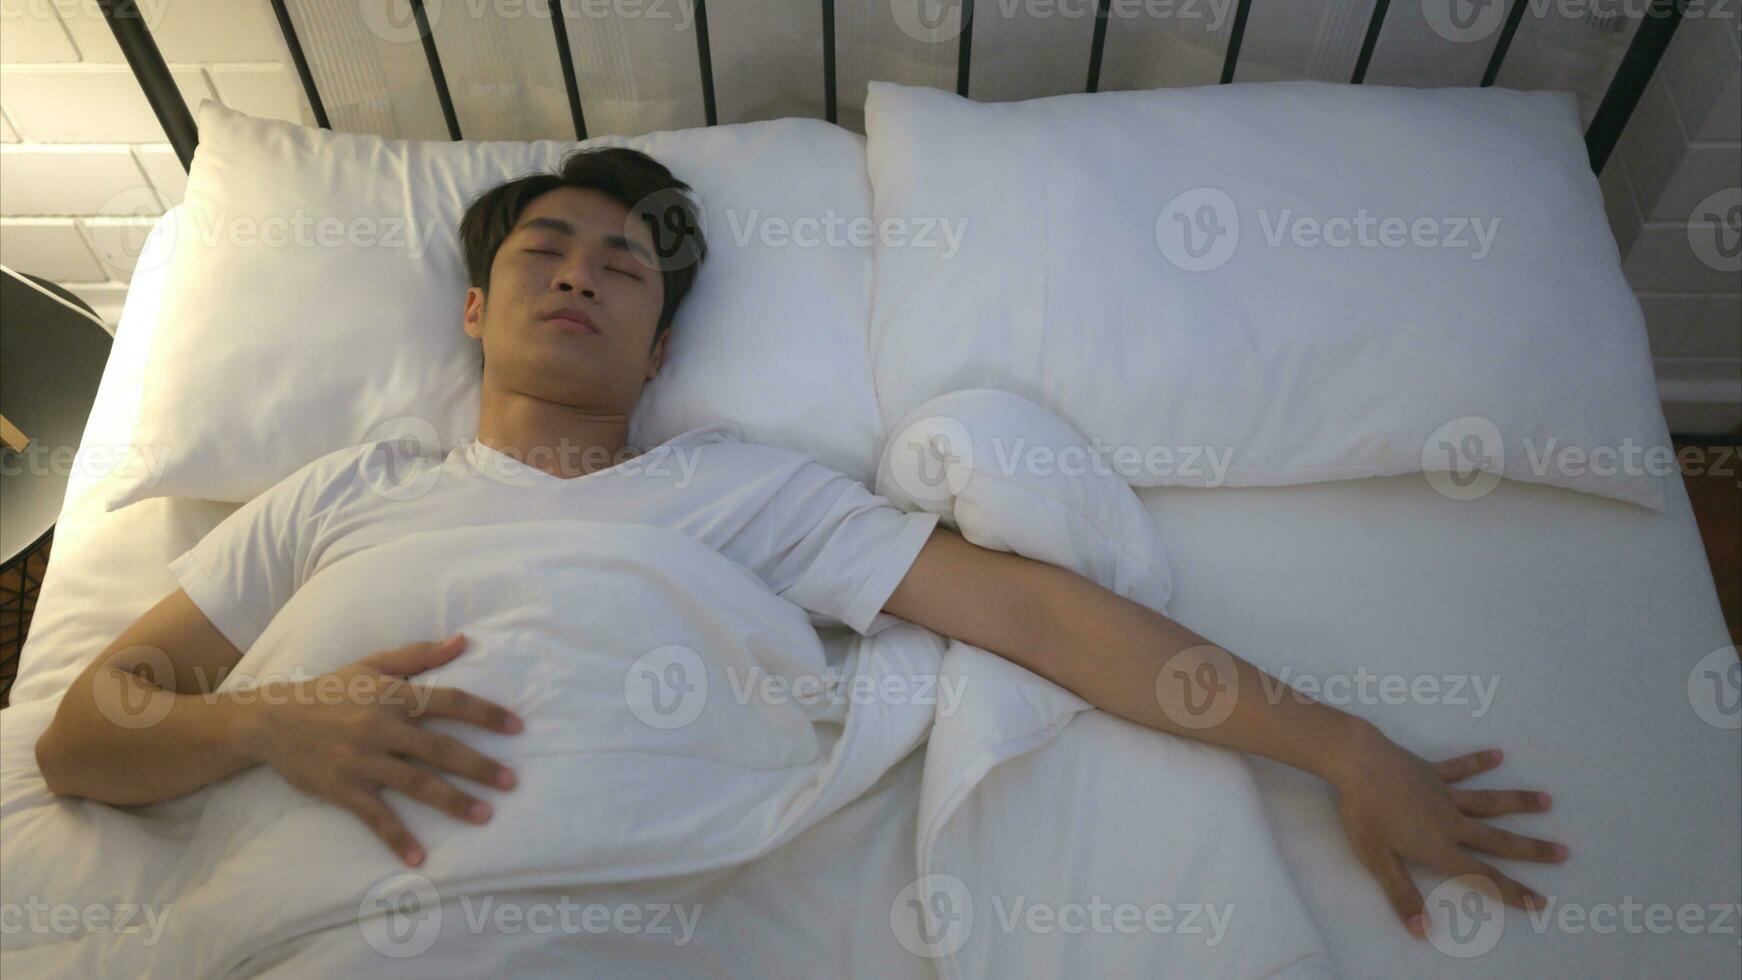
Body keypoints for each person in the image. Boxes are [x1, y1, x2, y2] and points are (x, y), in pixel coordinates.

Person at [35, 145, 1565, 941]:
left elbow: (1036, 619)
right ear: (476, 312)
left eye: (622, 265)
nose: (581, 274)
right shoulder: (340, 492)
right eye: (541, 252)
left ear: (653, 349)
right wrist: (265, 725)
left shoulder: (742, 492)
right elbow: (85, 740)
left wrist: (1343, 747)